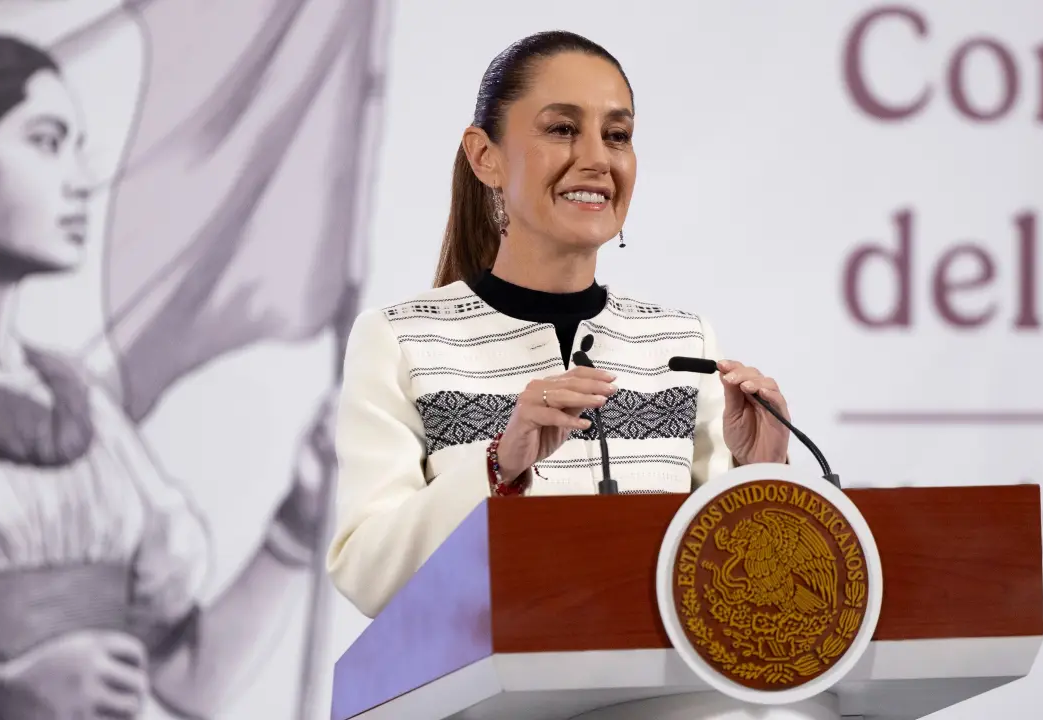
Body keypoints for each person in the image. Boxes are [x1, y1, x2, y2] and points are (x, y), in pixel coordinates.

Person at [326, 30, 792, 619]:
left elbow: (737, 591)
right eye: (563, 128)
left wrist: (761, 475)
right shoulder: (401, 340)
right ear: (484, 156)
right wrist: (500, 464)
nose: (597, 159)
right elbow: (367, 572)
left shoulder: (683, 343)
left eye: (617, 135)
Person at [0, 34, 330, 720]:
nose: (79, 180)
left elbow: (190, 681)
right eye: (45, 143)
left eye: (77, 148)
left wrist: (299, 519)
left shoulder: (85, 413)